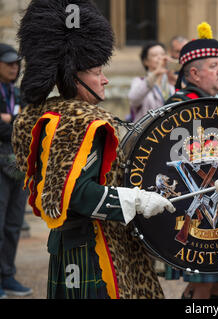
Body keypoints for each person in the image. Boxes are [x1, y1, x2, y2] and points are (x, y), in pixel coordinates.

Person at [13, 0, 175, 299]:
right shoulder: (82, 123)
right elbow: (76, 194)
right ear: (73, 76)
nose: (105, 79)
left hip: (73, 242)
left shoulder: (49, 116)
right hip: (94, 245)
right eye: (96, 72)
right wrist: (136, 199)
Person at [165, 22, 218, 299]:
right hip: (195, 206)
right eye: (213, 65)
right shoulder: (177, 107)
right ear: (194, 73)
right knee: (201, 287)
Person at [0, 43, 32, 298]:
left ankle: (7, 276)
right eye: (9, 62)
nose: (14, 67)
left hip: (17, 166)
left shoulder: (18, 92)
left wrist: (12, 120)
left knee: (12, 225)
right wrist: (16, 123)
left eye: (16, 63)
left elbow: (28, 126)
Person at [128, 41, 174, 122]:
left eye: (163, 54)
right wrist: (156, 73)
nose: (160, 58)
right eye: (155, 55)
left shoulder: (171, 81)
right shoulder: (139, 82)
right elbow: (133, 99)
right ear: (146, 61)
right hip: (148, 131)